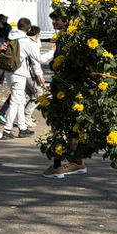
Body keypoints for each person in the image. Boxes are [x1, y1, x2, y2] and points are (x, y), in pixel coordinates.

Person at [43, 12, 86, 177]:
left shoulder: (66, 38)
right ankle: (77, 161)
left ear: (67, 21)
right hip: (71, 86)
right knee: (72, 126)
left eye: (57, 20)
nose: (54, 22)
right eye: (53, 19)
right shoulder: (72, 36)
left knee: (59, 125)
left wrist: (53, 64)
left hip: (64, 87)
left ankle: (58, 165)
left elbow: (59, 61)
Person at [0, 18, 39, 138]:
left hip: (9, 72)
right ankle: (7, 130)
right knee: (15, 102)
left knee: (20, 101)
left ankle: (22, 127)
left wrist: (1, 74)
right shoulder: (26, 41)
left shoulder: (11, 37)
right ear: (29, 29)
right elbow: (39, 58)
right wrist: (51, 53)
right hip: (19, 73)